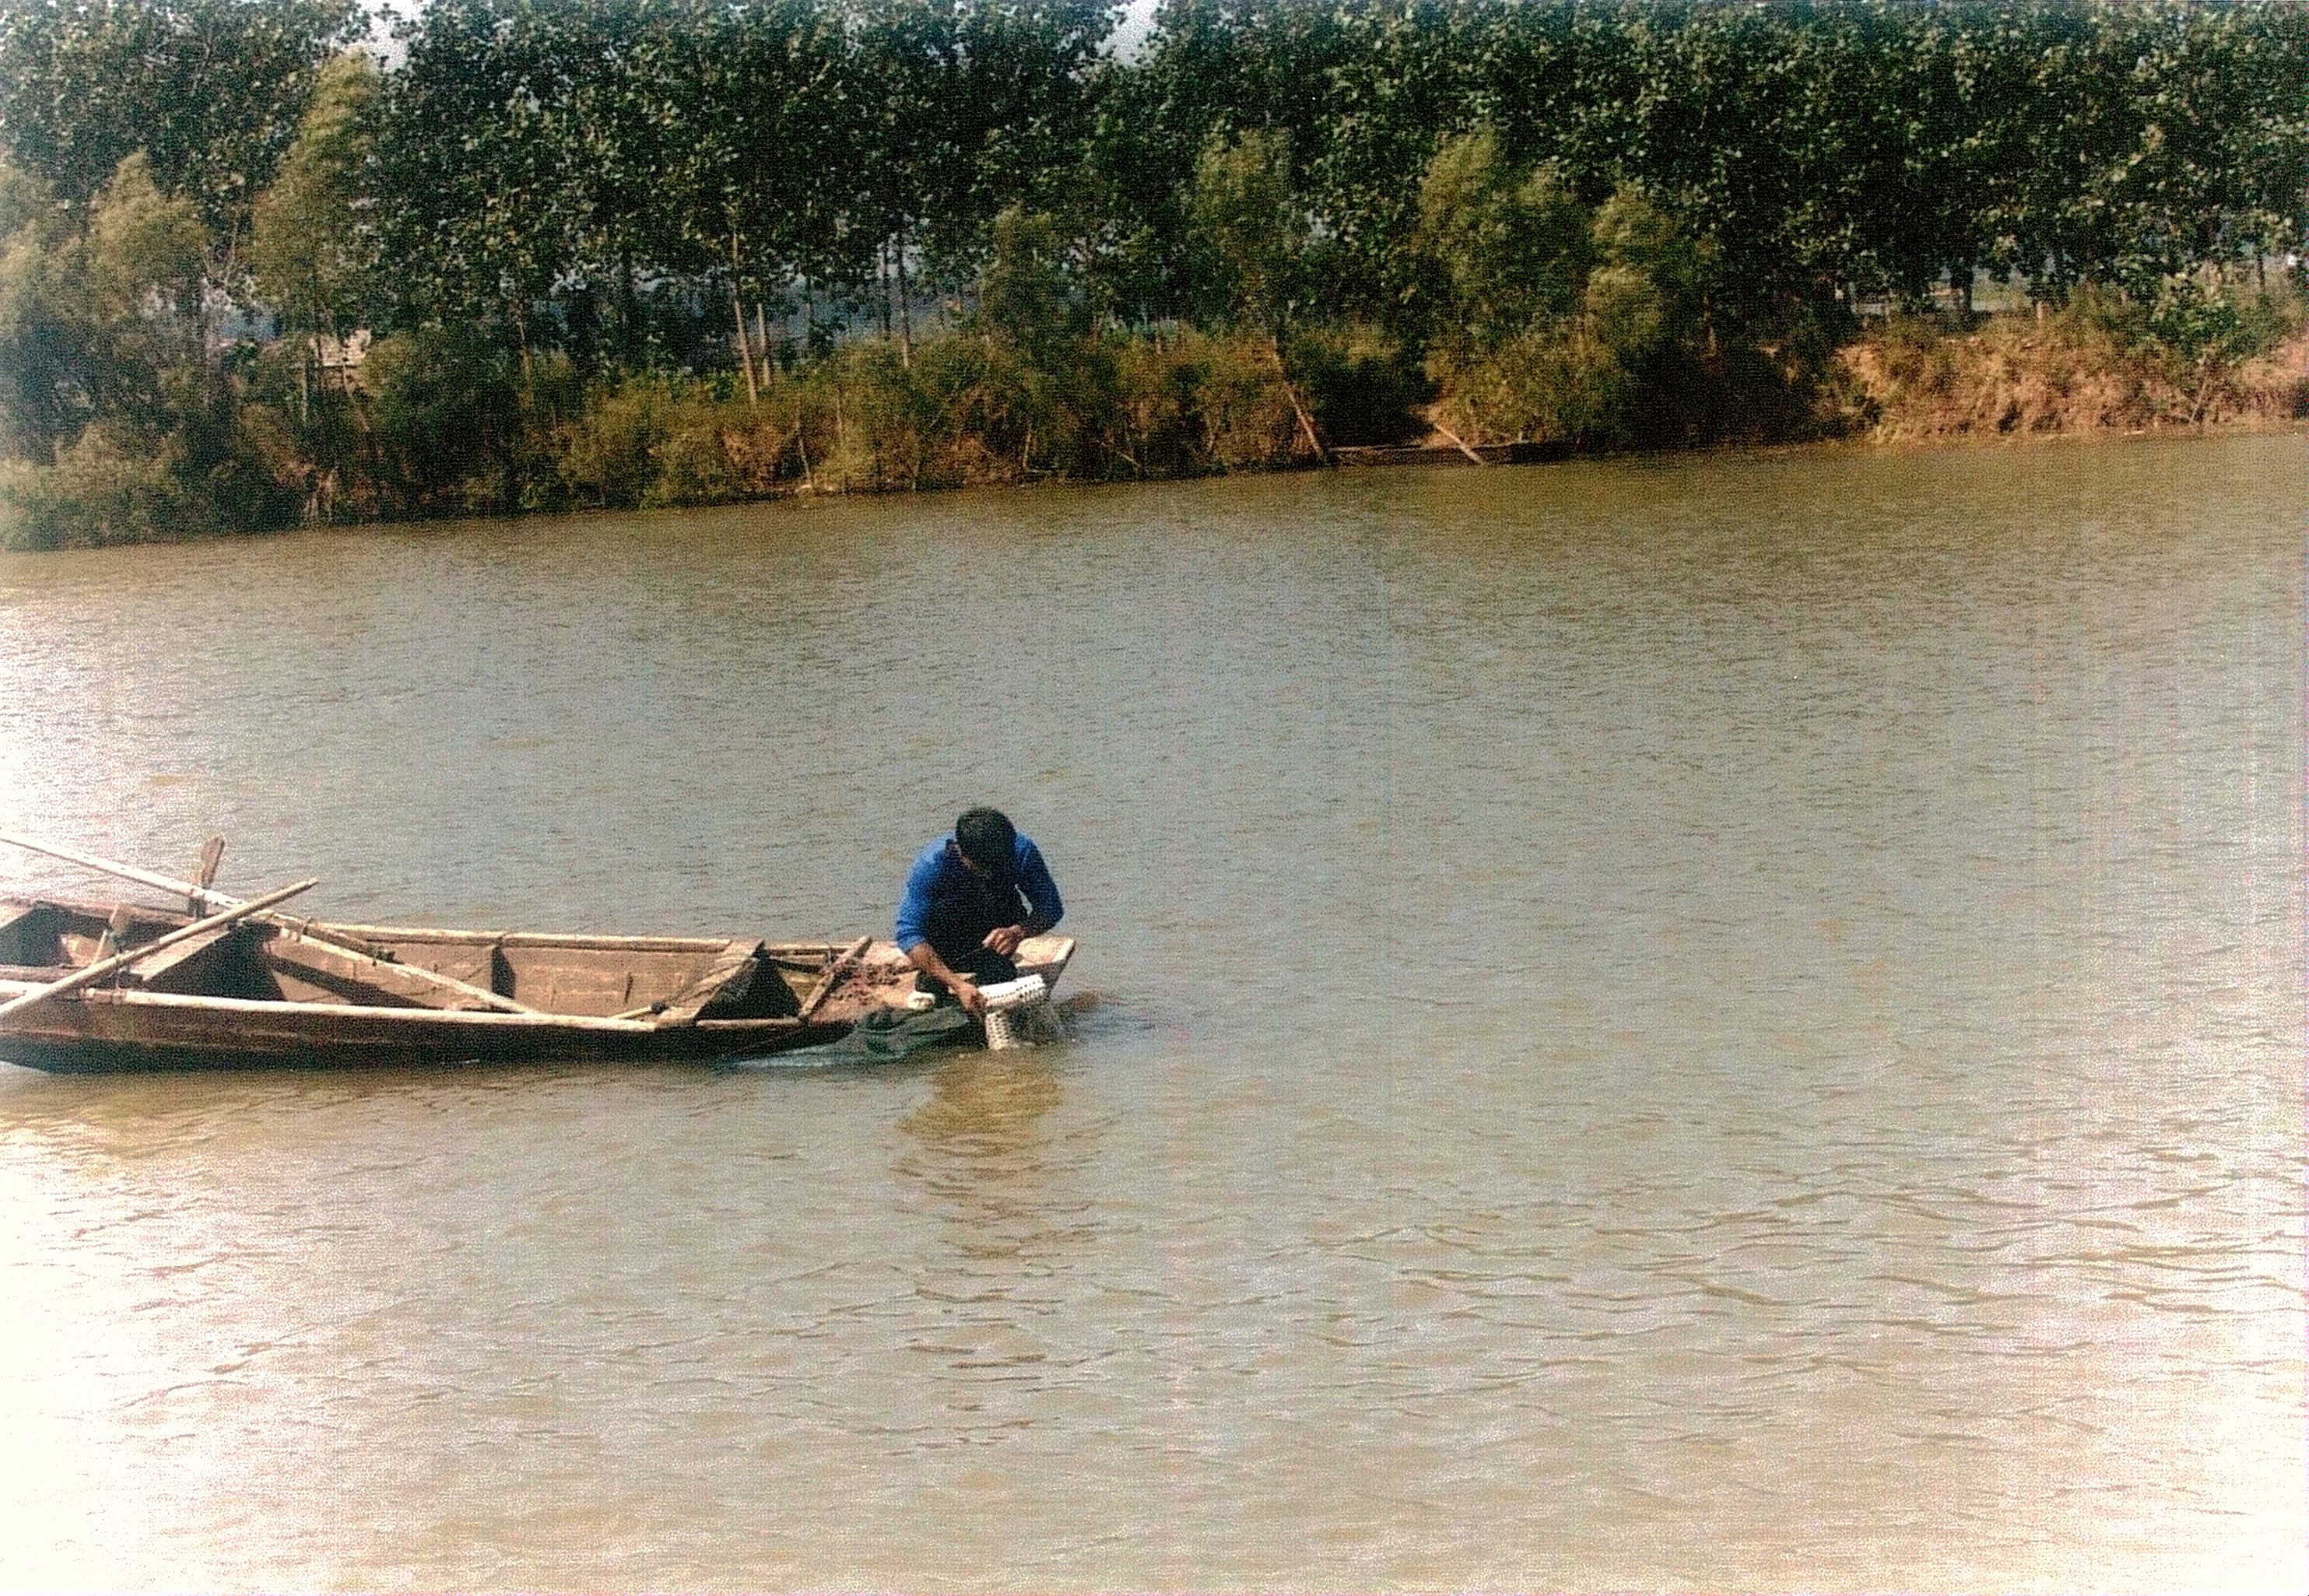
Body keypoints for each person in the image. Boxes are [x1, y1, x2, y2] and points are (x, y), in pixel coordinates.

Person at [894, 807, 1063, 1018]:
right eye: (982, 868)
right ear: (960, 851)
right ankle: (937, 973)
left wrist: (1018, 932)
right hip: (947, 930)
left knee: (1000, 975)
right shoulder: (933, 864)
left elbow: (1051, 907)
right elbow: (908, 933)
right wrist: (957, 985)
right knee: (933, 985)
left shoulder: (1021, 851)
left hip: (993, 926)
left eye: (998, 866)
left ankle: (991, 962)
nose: (990, 873)